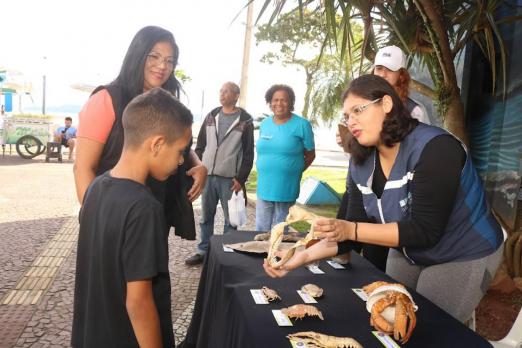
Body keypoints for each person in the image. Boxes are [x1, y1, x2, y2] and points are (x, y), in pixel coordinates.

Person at [264, 74, 504, 324]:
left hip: (462, 250)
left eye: (358, 110)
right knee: (389, 321)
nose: (351, 121)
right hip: (407, 249)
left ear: (386, 104)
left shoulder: (436, 148)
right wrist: (302, 254)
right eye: (347, 116)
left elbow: (425, 230)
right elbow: (349, 233)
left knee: (431, 328)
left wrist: (350, 229)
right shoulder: (362, 161)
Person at [72, 87, 193, 347]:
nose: (182, 161)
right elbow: (139, 301)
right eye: (180, 150)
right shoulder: (144, 207)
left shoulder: (96, 187)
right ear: (157, 144)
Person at [73, 26, 206, 240]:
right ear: (137, 54)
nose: (162, 66)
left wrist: (197, 164)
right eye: (154, 56)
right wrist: (97, 219)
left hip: (153, 211)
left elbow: (176, 143)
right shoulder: (106, 99)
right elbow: (82, 167)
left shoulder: (167, 101)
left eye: (170, 60)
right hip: (114, 216)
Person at [336, 45, 431, 270]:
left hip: (400, 195)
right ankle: (346, 254)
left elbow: (418, 155)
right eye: (379, 68)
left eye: (389, 69)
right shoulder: (360, 102)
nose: (383, 74)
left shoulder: (416, 112)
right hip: (369, 178)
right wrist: (350, 139)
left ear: (402, 75)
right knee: (356, 214)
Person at [185, 82, 255, 266]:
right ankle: (203, 250)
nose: (222, 94)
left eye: (226, 91)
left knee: (230, 219)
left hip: (230, 178)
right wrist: (197, 167)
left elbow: (248, 153)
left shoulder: (245, 121)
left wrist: (241, 178)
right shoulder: (211, 116)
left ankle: (227, 252)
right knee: (206, 216)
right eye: (221, 91)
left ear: (236, 95)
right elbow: (200, 146)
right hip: (207, 176)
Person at [255, 84, 315, 231]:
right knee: (260, 228)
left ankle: (276, 254)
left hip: (286, 185)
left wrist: (295, 170)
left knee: (279, 229)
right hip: (264, 184)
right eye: (275, 100)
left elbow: (311, 154)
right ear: (270, 102)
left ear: (291, 102)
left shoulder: (302, 125)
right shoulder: (265, 123)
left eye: (284, 100)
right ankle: (259, 253)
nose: (279, 104)